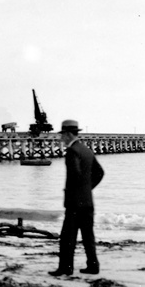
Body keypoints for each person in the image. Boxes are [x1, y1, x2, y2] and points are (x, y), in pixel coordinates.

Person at [49, 119, 105, 277]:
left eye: (62, 135)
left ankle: (66, 268)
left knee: (67, 236)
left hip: (74, 202)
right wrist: (87, 188)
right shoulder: (86, 150)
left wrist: (75, 191)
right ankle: (93, 265)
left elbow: (75, 175)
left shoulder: (72, 151)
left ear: (68, 134)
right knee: (88, 235)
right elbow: (100, 173)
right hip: (87, 200)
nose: (61, 138)